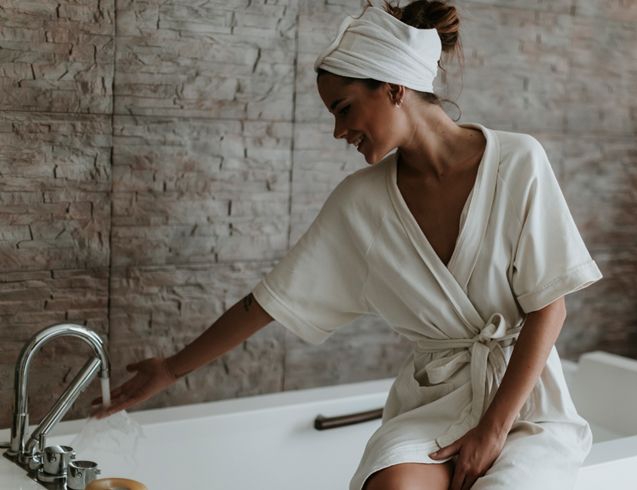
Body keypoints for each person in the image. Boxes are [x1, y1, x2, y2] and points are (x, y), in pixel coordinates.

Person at [91, 2, 603, 489]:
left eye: (344, 108)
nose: (338, 131)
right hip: (435, 404)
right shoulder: (361, 204)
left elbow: (548, 310)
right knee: (391, 484)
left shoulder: (518, 162)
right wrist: (170, 369)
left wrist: (492, 430)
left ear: (394, 87)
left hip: (525, 405)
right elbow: (267, 302)